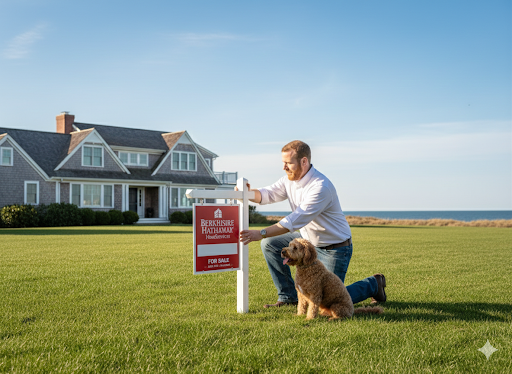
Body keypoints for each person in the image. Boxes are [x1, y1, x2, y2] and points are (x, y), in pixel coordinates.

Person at [239, 140, 386, 308]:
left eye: (288, 163)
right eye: (283, 163)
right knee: (270, 244)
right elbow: (266, 195)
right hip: (308, 243)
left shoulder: (321, 187)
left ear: (304, 161)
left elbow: (294, 220)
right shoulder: (289, 180)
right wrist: (248, 193)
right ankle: (289, 297)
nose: (284, 167)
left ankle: (374, 284)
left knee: (328, 299)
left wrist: (261, 233)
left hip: (334, 248)